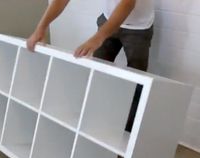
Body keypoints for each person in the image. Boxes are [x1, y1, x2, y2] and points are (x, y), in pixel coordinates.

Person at [27, 0, 154, 132]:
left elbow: (127, 4)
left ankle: (127, 137)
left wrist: (98, 38)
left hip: (138, 28)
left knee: (137, 83)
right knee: (97, 76)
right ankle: (96, 126)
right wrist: (41, 27)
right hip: (108, 18)